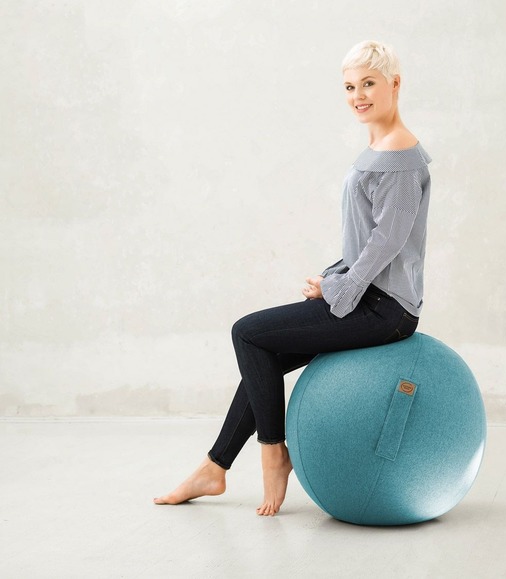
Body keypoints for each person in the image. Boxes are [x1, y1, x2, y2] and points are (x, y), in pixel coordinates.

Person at [154, 40, 431, 516]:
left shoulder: (401, 156)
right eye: (350, 87)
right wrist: (331, 278)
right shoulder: (380, 148)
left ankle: (273, 454)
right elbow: (366, 237)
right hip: (368, 296)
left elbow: (387, 242)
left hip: (386, 309)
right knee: (263, 354)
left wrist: (339, 289)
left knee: (247, 333)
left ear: (395, 84)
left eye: (368, 84)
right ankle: (214, 468)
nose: (358, 96)